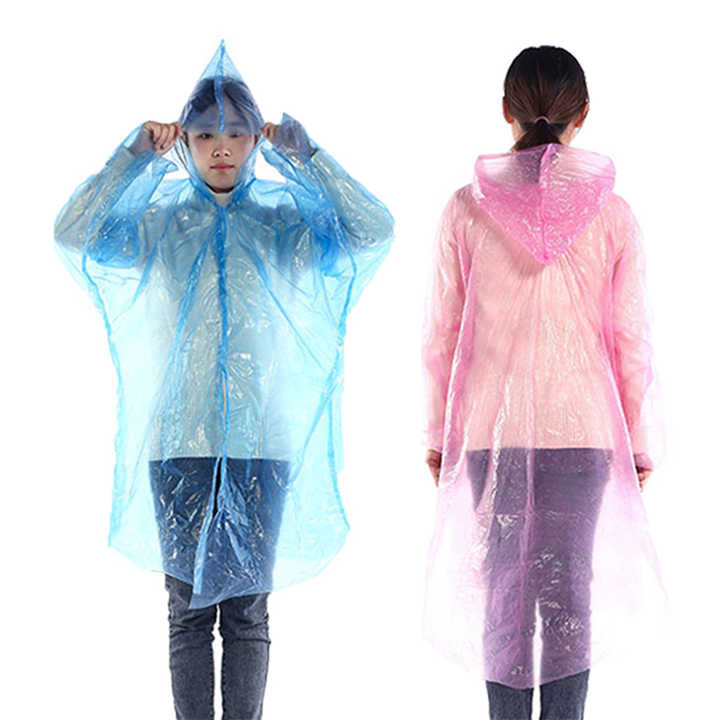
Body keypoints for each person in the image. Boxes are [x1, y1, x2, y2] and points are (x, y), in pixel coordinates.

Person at [54, 40, 394, 720]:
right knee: (186, 612)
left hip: (259, 445)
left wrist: (310, 159)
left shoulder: (283, 224)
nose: (221, 148)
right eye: (205, 133)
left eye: (236, 133)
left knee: (246, 612)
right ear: (185, 139)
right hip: (179, 441)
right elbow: (74, 235)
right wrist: (131, 159)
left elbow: (372, 232)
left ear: (254, 139)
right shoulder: (158, 221)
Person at [421, 45, 666, 720]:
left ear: (506, 110)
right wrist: (638, 441)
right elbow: (630, 340)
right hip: (584, 432)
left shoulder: (466, 210)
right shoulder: (612, 215)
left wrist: (439, 434)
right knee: (568, 600)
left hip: (486, 434)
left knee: (504, 594)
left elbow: (443, 335)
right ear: (582, 114)